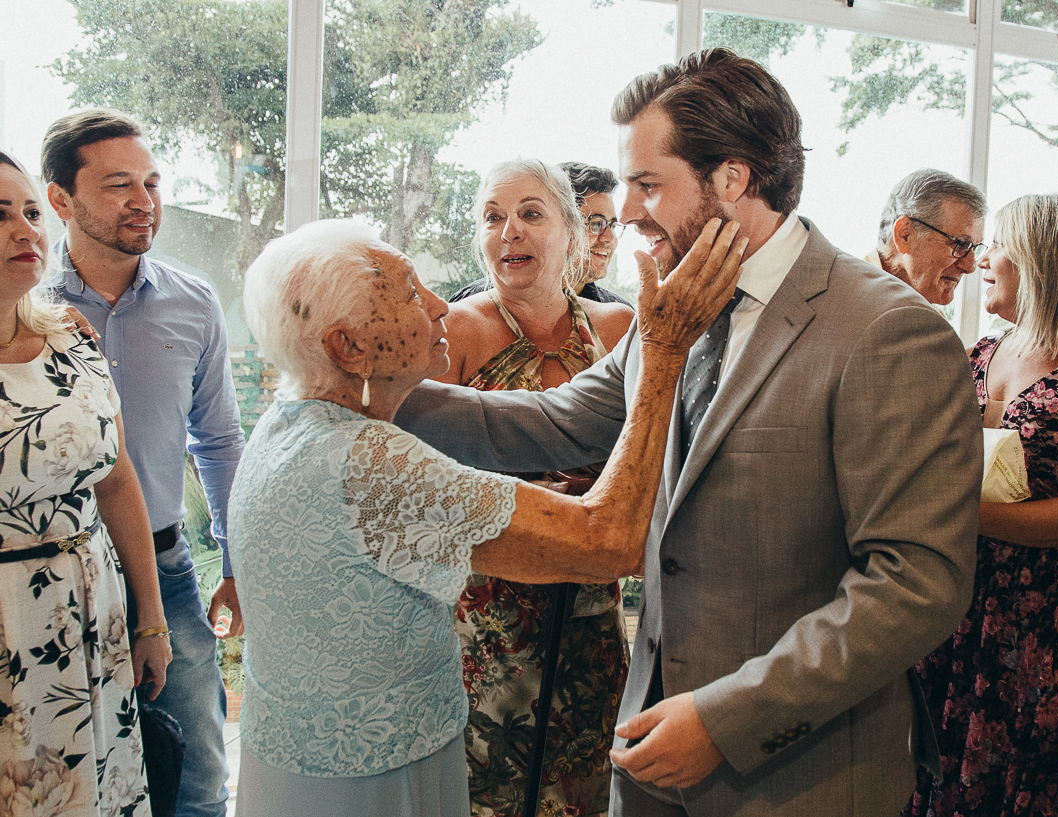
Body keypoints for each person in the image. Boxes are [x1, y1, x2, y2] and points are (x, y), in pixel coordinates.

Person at [396, 48, 983, 817]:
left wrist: (723, 718)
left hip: (795, 774)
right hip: (647, 757)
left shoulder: (886, 330)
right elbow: (556, 419)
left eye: (648, 185)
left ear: (732, 179)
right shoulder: (672, 309)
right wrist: (384, 397)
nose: (628, 210)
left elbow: (915, 584)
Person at [228, 216, 743, 817]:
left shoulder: (287, 418)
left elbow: (552, 418)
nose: (440, 304)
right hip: (372, 784)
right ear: (349, 346)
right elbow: (606, 542)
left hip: (294, 763)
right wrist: (662, 351)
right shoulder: (371, 465)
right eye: (410, 292)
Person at [905, 194, 1058, 817]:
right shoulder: (982, 353)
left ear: (1044, 258)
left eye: (995, 244)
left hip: (1055, 614)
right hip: (966, 599)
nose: (980, 259)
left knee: (1038, 784)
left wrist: (952, 516)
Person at [41, 109, 245, 817]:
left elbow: (218, 440)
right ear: (60, 199)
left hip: (166, 568)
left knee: (198, 775)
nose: (144, 201)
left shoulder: (194, 301)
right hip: (52, 576)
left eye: (152, 182)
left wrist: (236, 561)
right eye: (119, 184)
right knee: (64, 771)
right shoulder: (23, 306)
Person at [438, 159, 634, 817]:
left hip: (588, 614)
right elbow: (420, 474)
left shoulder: (616, 331)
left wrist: (600, 481)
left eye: (530, 213)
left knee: (586, 791)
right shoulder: (456, 333)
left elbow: (650, 457)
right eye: (492, 217)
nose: (509, 232)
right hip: (485, 624)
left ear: (571, 235)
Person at [0, 150, 171, 816]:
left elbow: (117, 478)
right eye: (0, 214)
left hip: (92, 613)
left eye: (31, 212)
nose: (26, 230)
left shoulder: (71, 336)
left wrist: (150, 618)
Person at [451, 161, 631, 306]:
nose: (609, 238)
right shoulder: (466, 307)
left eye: (612, 226)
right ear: (568, 228)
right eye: (595, 224)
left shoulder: (619, 320)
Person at [875, 168, 986, 306]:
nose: (970, 267)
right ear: (905, 235)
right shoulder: (845, 300)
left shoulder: (929, 319)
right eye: (960, 244)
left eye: (973, 248)